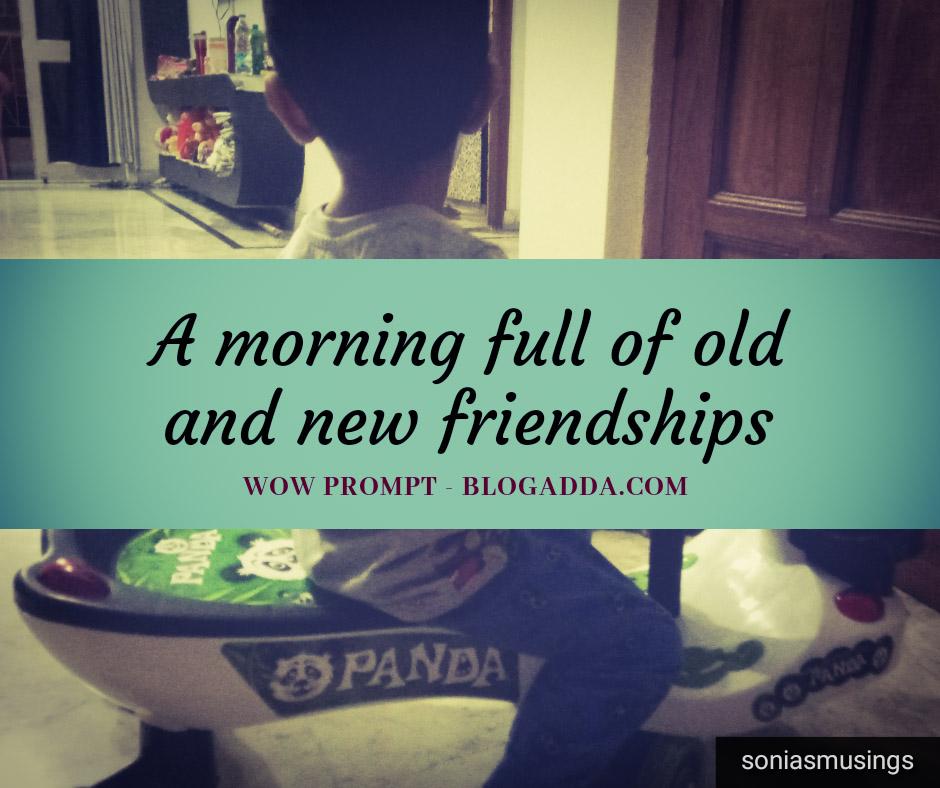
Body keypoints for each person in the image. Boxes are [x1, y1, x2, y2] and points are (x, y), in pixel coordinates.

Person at [262, 2, 682, 785]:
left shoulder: (299, 251)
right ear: (485, 97)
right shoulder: (470, 278)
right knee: (643, 642)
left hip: (340, 538)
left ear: (288, 108)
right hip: (427, 569)